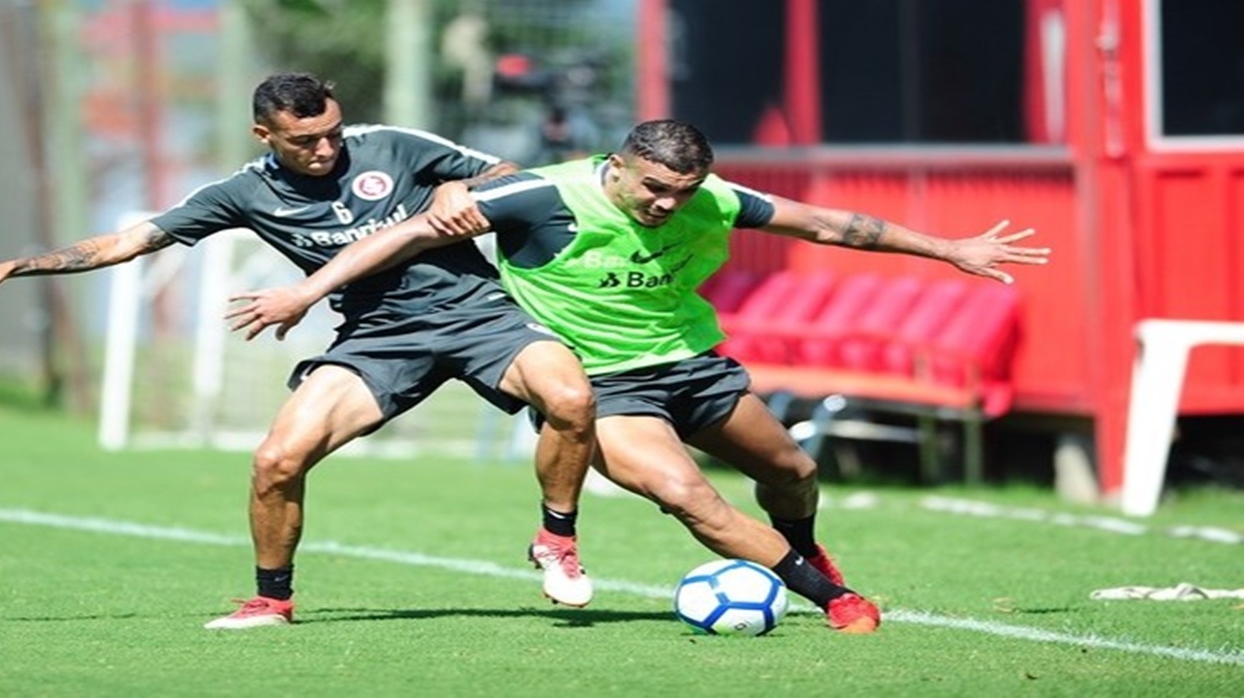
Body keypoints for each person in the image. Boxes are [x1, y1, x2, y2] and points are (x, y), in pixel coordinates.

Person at [229, 119, 1053, 633]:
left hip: (693, 364)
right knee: (689, 496)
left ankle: (801, 548)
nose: (668, 205)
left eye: (682, 192)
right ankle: (831, 598)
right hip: (609, 387)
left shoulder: (713, 199)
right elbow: (403, 236)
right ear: (617, 166)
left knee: (794, 471)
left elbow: (833, 224)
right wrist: (306, 290)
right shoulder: (538, 194)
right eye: (655, 189)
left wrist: (949, 250)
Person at [0, 73, 598, 629]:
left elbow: (510, 172)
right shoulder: (243, 192)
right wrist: (17, 266)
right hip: (379, 340)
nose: (327, 149)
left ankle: (556, 542)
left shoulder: (392, 144)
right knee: (277, 460)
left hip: (477, 316)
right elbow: (128, 243)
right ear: (264, 134)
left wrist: (462, 186)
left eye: (332, 132)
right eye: (306, 141)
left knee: (569, 396)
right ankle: (272, 600)